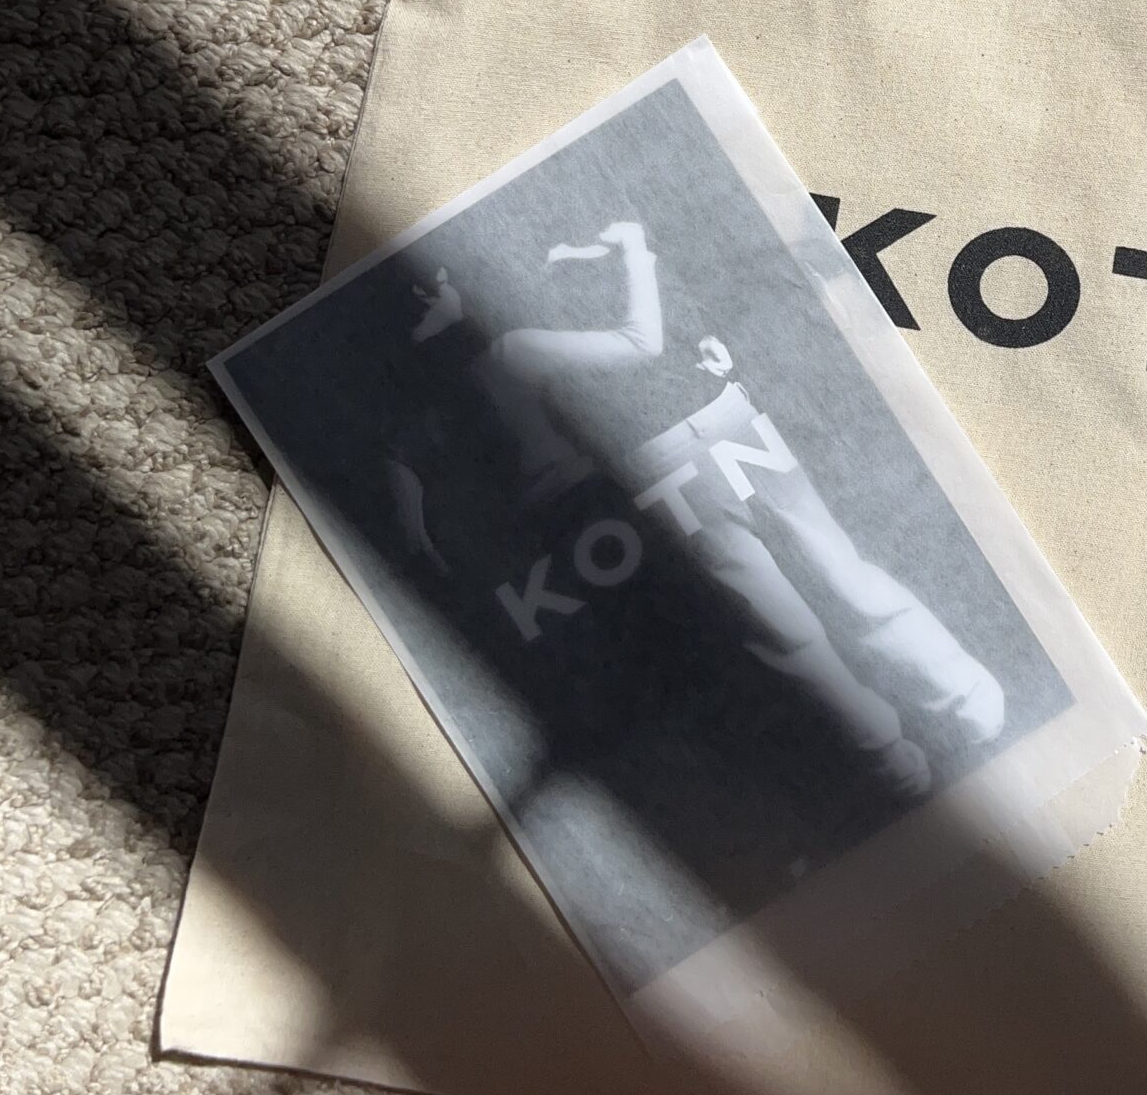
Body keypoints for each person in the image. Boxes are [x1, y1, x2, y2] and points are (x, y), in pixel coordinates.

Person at [396, 221, 1005, 806]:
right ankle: (957, 708)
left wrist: (429, 553)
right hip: (692, 441)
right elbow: (647, 342)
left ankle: (896, 754)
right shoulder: (500, 352)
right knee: (833, 581)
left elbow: (418, 472)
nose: (432, 291)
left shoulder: (469, 374)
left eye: (435, 283)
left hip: (653, 478)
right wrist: (634, 252)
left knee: (789, 626)